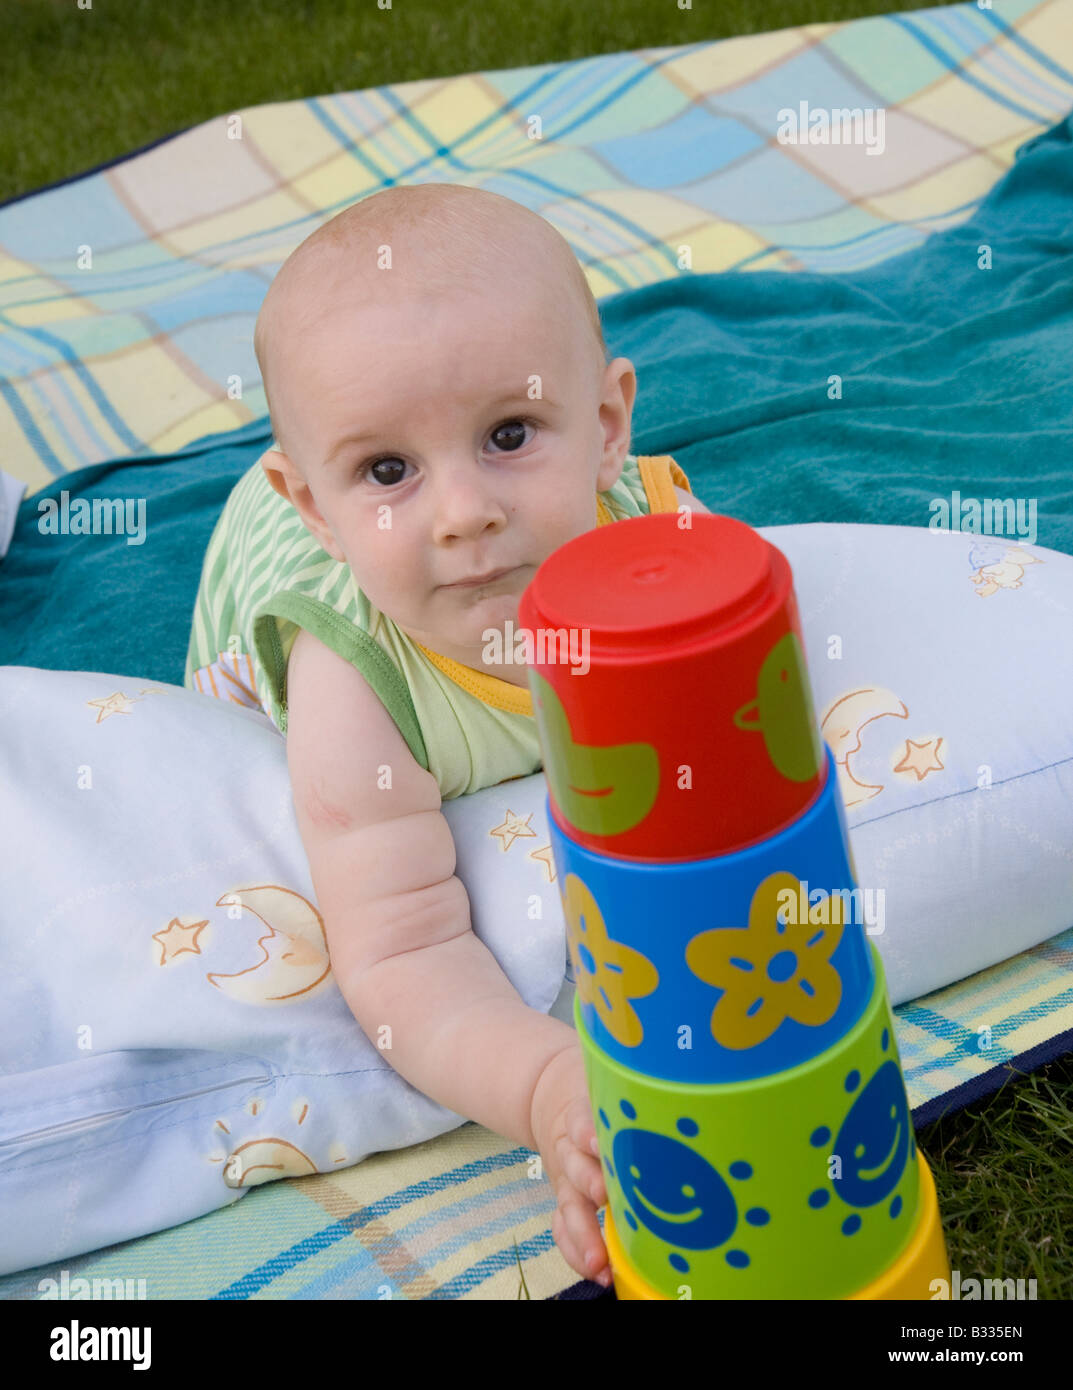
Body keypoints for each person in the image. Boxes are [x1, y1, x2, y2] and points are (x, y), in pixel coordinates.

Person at [185, 182, 706, 1287]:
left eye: (508, 434)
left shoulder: (658, 543)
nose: (461, 511)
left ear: (607, 430)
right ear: (316, 509)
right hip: (271, 599)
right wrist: (547, 1085)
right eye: (389, 471)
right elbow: (403, 955)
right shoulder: (354, 690)